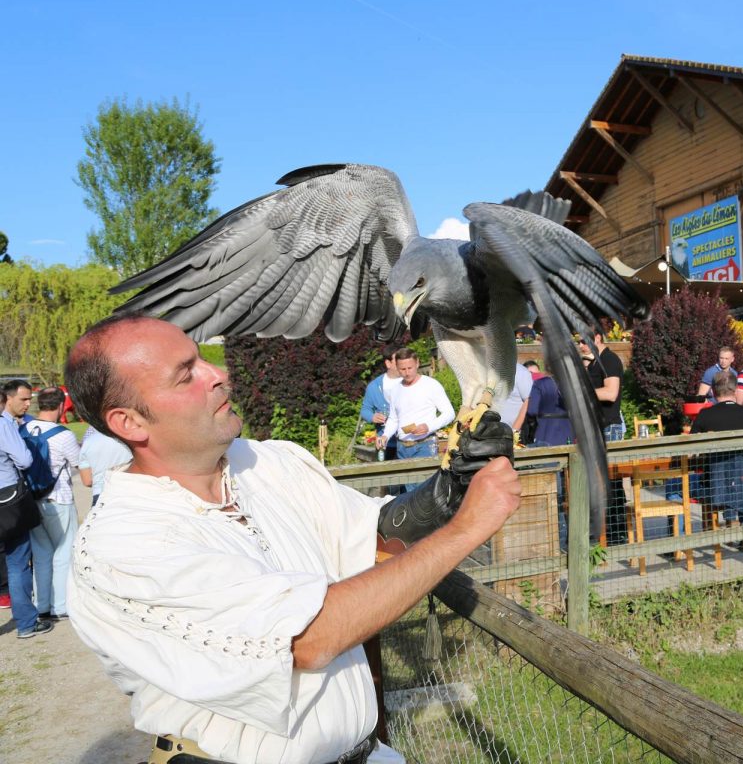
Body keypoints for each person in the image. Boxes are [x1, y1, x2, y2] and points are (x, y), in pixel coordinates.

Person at [64, 314, 520, 763]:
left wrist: (451, 488)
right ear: (129, 423)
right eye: (186, 376)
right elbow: (308, 637)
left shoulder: (267, 462)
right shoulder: (122, 546)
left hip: (367, 754)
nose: (218, 374)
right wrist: (466, 529)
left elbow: (372, 535)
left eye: (202, 359)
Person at [25, 387, 80, 621]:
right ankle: (60, 605)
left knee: (41, 555)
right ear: (60, 407)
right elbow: (79, 462)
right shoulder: (64, 434)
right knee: (64, 552)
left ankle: (41, 605)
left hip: (31, 499)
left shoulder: (22, 429)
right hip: (59, 498)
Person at [693, 370, 743, 543]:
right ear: (735, 389)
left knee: (674, 488)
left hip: (716, 483)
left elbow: (692, 447)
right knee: (740, 478)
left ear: (714, 392)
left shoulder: (705, 415)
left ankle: (677, 545)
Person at [1, 381, 46, 638]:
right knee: (18, 561)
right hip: (9, 501)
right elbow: (25, 460)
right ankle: (27, 624)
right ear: (8, 399)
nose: (28, 404)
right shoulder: (4, 426)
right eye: (24, 399)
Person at [579, 330, 627, 543]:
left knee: (610, 482)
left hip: (608, 428)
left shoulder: (610, 360)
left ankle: (616, 534)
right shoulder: (595, 361)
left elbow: (611, 393)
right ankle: (603, 533)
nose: (580, 345)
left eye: (583, 340)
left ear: (597, 337)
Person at [378, 348, 454, 461]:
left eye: (410, 368)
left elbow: (449, 413)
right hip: (401, 448)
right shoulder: (395, 390)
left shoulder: (431, 385)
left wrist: (429, 427)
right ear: (397, 368)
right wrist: (385, 436)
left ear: (417, 363)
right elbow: (394, 419)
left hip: (425, 445)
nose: (407, 372)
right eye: (402, 369)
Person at [361, 346, 407, 460]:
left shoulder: (409, 382)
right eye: (397, 361)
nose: (402, 365)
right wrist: (372, 416)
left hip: (409, 443)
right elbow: (364, 410)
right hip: (385, 444)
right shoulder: (374, 386)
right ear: (388, 363)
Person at [78, 424, 132, 506]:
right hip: (129, 492)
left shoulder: (88, 442)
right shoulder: (130, 438)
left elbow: (87, 481)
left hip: (101, 494)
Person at [496, 361, 534, 438]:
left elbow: (529, 400)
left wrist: (514, 431)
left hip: (514, 436)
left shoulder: (520, 372)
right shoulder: (488, 370)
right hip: (490, 435)